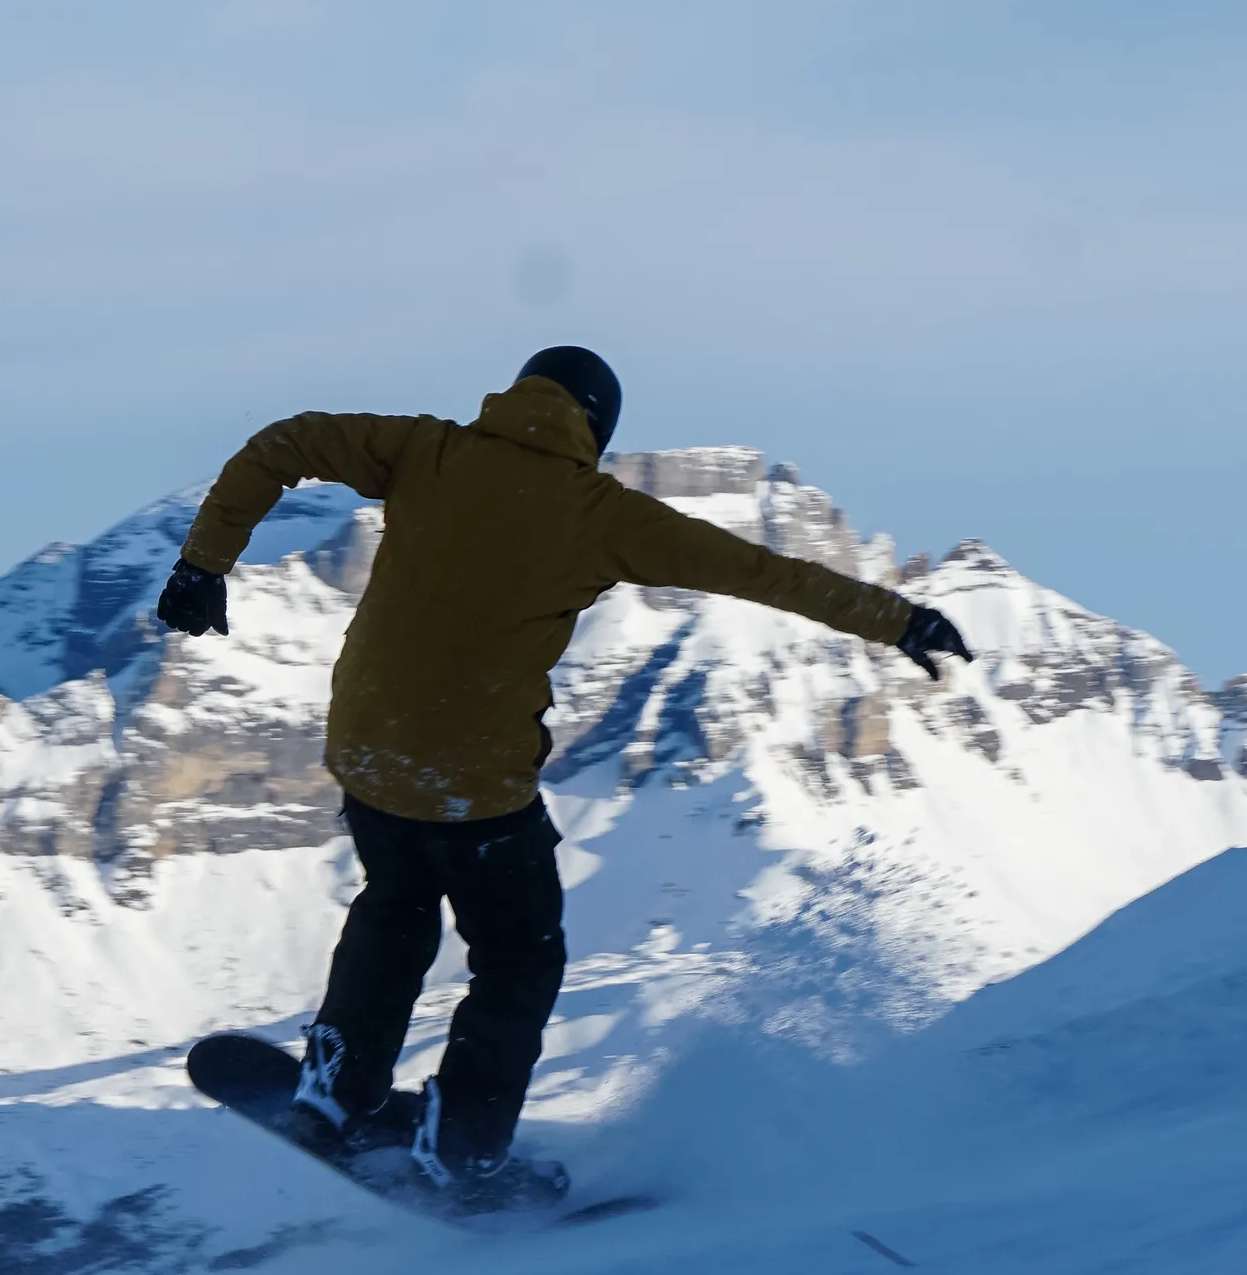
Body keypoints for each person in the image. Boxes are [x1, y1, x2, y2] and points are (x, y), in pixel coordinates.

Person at [158, 344, 974, 1211]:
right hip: (474, 786)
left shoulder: (424, 450)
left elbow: (281, 443)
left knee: (394, 902)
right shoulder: (599, 513)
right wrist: (900, 619)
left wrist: (201, 565)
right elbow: (762, 574)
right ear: (596, 429)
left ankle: (336, 1084)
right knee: (518, 957)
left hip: (368, 752)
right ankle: (463, 1140)